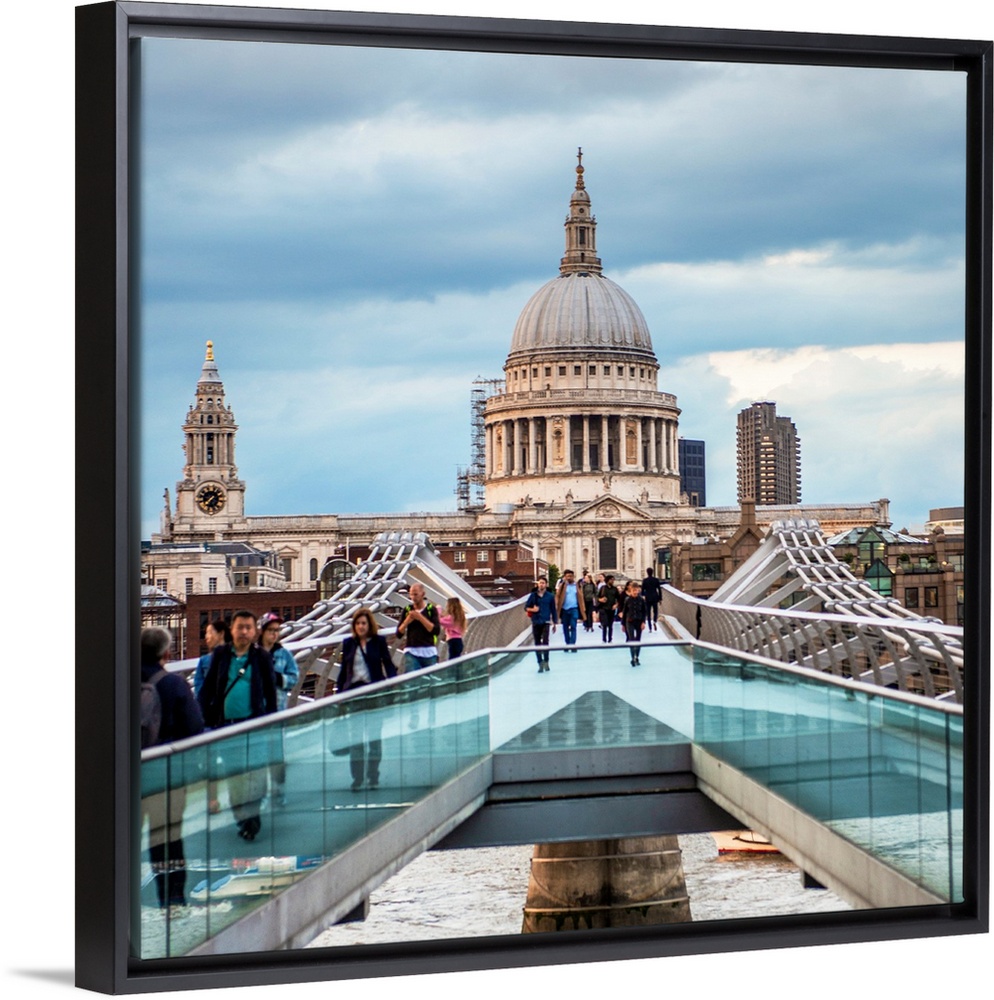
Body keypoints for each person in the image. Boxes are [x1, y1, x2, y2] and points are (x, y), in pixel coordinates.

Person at [197, 609, 278, 842]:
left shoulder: (261, 657)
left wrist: (271, 723)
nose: (244, 631)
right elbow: (208, 687)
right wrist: (203, 720)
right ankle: (242, 818)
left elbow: (270, 693)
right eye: (239, 627)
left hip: (254, 725)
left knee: (255, 777)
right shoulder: (221, 654)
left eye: (248, 628)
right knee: (235, 778)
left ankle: (252, 821)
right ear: (231, 630)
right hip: (227, 727)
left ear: (255, 631)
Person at [141, 626, 204, 910]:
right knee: (168, 834)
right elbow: (195, 729)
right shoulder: (175, 685)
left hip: (129, 775)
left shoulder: (117, 680)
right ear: (167, 653)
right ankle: (172, 896)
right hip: (168, 774)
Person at [338, 608, 397, 791]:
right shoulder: (348, 643)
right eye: (357, 623)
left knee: (374, 739)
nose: (360, 626)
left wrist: (393, 685)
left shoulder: (378, 642)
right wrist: (339, 696)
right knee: (356, 740)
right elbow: (343, 671)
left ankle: (373, 776)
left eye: (363, 623)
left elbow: (387, 663)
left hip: (374, 693)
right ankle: (357, 778)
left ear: (369, 624)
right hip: (354, 694)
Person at [257, 612, 300, 806]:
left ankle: (278, 791)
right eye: (271, 631)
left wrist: (278, 679)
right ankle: (262, 794)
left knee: (276, 754)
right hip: (256, 712)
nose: (274, 635)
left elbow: (294, 677)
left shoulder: (283, 654)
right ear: (263, 631)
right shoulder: (253, 654)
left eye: (277, 631)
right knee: (259, 756)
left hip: (277, 711)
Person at [397, 582, 441, 672]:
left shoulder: (431, 610)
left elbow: (435, 630)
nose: (413, 597)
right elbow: (399, 633)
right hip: (411, 650)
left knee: (430, 681)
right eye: (411, 594)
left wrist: (420, 617)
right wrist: (407, 620)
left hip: (429, 651)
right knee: (413, 681)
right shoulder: (407, 610)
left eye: (416, 594)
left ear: (423, 594)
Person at [525, 575, 558, 672]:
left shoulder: (550, 596)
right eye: (539, 583)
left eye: (543, 583)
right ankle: (540, 663)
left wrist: (555, 623)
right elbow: (526, 607)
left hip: (546, 621)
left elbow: (553, 610)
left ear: (546, 584)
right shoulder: (533, 595)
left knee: (545, 642)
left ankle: (546, 661)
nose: (541, 584)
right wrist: (533, 609)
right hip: (536, 621)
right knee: (537, 643)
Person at [192, 619, 231, 698]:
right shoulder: (204, 660)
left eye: (209, 632)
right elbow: (198, 687)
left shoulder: (235, 657)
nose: (206, 637)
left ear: (221, 634)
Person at [554, 569, 585, 650]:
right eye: (567, 576)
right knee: (565, 627)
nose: (569, 578)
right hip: (564, 609)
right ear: (564, 577)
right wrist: (557, 605)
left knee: (573, 626)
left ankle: (572, 645)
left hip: (574, 609)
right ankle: (567, 644)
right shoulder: (562, 586)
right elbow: (557, 596)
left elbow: (581, 597)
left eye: (570, 576)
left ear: (573, 577)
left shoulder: (577, 586)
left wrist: (583, 607)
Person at [621, 580, 648, 665]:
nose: (635, 592)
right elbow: (624, 612)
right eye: (634, 590)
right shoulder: (627, 600)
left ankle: (637, 656)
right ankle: (632, 657)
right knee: (632, 640)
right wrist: (623, 624)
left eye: (637, 590)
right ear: (631, 590)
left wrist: (644, 622)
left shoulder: (642, 600)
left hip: (639, 621)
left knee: (638, 640)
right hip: (630, 621)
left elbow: (644, 612)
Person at [597, 574, 620, 643]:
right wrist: (600, 599)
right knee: (605, 623)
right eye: (611, 580)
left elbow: (619, 599)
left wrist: (616, 605)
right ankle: (604, 638)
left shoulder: (615, 589)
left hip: (611, 609)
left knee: (610, 625)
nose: (612, 581)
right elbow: (597, 597)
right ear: (607, 580)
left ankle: (610, 638)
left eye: (613, 580)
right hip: (604, 608)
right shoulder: (603, 588)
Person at [641, 567, 662, 632]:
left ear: (647, 572)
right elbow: (659, 589)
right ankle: (655, 621)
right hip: (655, 597)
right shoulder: (656, 580)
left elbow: (642, 590)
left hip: (648, 597)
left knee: (648, 612)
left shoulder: (645, 580)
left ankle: (650, 627)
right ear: (652, 572)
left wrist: (643, 596)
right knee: (655, 611)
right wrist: (660, 598)